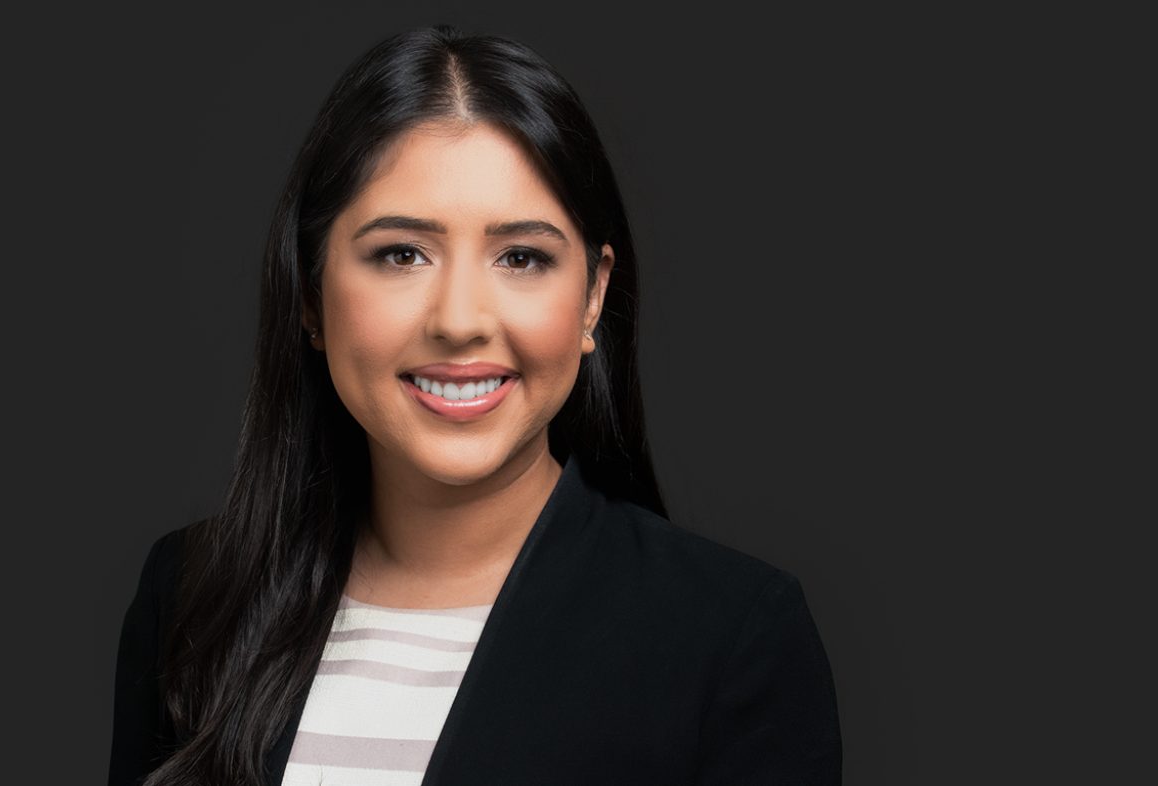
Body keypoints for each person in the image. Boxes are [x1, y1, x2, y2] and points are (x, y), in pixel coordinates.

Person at [109, 24, 841, 786]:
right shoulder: (193, 597)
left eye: (521, 257)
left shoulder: (729, 636)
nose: (459, 320)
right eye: (401, 254)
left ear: (593, 295)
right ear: (310, 292)